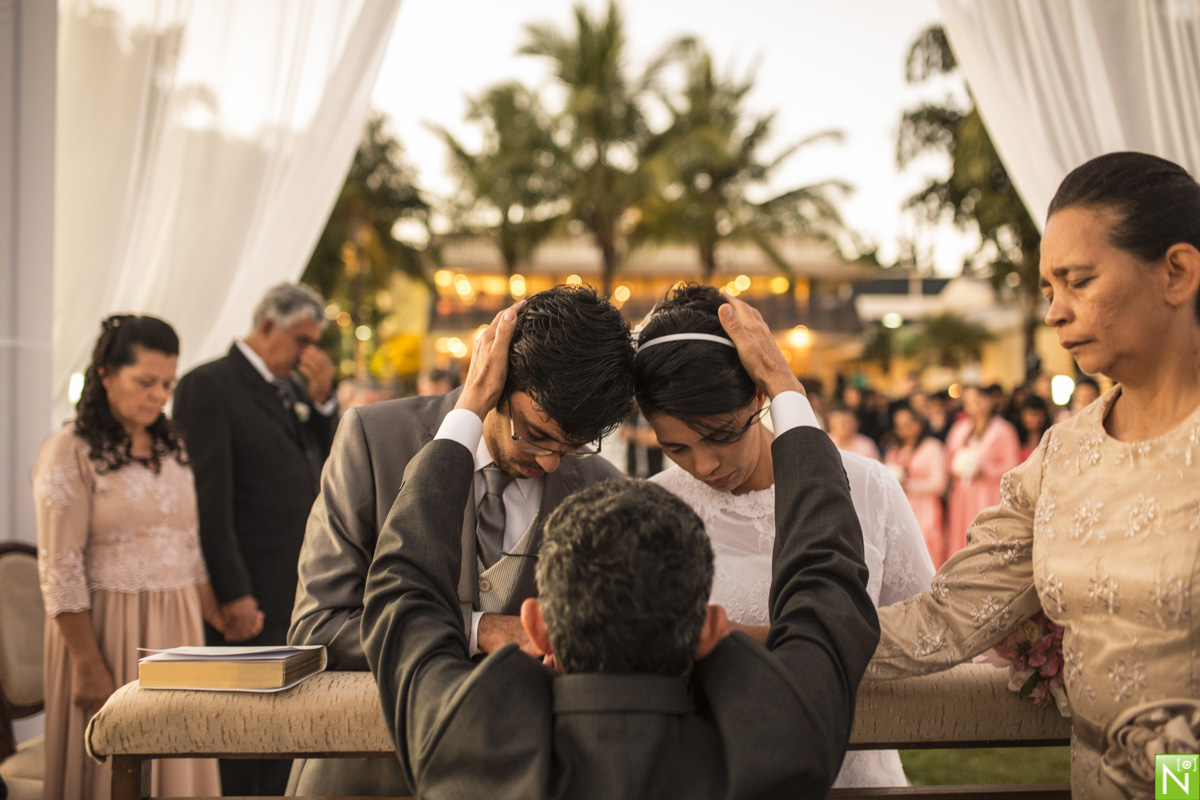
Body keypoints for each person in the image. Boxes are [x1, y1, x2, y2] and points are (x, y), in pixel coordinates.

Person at [361, 293, 881, 800]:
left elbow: (403, 593)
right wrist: (784, 386)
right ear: (710, 629)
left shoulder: (465, 745)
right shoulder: (781, 745)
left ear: (539, 625)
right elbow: (825, 584)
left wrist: (470, 402)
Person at [870, 152, 1200, 798]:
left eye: (1078, 281)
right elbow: (946, 617)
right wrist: (780, 636)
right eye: (1049, 290)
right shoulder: (1064, 454)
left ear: (1178, 271)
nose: (1055, 312)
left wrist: (1178, 781)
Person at [286, 284, 634, 796]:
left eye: (573, 446)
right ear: (494, 376)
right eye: (536, 434)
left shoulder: (606, 488)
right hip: (365, 777)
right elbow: (316, 627)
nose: (550, 463)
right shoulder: (373, 438)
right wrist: (478, 630)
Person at [632, 285, 933, 789]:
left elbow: (926, 635)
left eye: (722, 434)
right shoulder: (652, 508)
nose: (705, 465)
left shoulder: (868, 487)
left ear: (758, 395)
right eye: (677, 447)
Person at [33, 315, 224, 800]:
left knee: (179, 757)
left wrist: (214, 612)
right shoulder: (68, 450)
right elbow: (60, 565)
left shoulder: (172, 444)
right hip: (106, 630)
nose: (159, 395)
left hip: (177, 628)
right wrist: (86, 663)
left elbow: (188, 542)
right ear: (105, 374)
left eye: (167, 383)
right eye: (145, 382)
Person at [172, 283, 337, 796]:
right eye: (301, 341)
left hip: (293, 582)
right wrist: (232, 591)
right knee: (241, 725)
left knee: (282, 723)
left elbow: (321, 463)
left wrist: (324, 401)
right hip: (249, 585)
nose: (307, 354)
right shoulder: (209, 386)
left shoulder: (287, 390)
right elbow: (208, 500)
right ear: (268, 327)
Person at [943, 384, 1021, 558]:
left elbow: (1013, 465)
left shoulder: (1003, 430)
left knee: (988, 534)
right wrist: (960, 467)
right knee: (963, 534)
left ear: (990, 401)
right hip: (963, 494)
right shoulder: (959, 429)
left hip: (989, 493)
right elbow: (948, 460)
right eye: (970, 402)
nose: (975, 406)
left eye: (978, 400)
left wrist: (984, 469)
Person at [884, 403, 949, 567]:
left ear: (919, 424)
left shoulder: (932, 447)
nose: (904, 430)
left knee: (927, 552)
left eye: (908, 424)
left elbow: (939, 484)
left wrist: (907, 486)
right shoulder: (895, 450)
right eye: (899, 426)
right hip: (901, 508)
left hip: (926, 508)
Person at [1016, 393, 1051, 461]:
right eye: (1031, 415)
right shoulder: (1015, 436)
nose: (1035, 419)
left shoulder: (1050, 437)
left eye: (1038, 414)